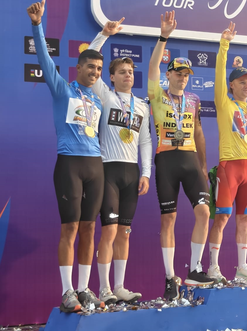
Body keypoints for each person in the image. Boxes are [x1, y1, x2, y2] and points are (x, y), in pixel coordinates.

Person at [27, 0, 105, 312]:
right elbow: (44, 59)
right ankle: (67, 291)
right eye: (91, 67)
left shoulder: (97, 100)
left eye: (99, 69)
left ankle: (85, 289)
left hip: (96, 166)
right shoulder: (63, 89)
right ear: (78, 68)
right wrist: (37, 25)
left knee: (89, 228)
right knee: (70, 229)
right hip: (69, 164)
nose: (95, 72)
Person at [147, 10, 213, 301]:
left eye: (187, 75)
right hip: (166, 160)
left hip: (190, 159)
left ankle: (196, 268)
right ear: (169, 74)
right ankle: (169, 277)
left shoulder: (194, 99)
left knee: (204, 212)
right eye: (179, 73)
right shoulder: (157, 94)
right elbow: (152, 68)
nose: (183, 78)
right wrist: (163, 37)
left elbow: (198, 132)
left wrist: (204, 164)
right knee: (169, 219)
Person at [87, 19, 152, 304]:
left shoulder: (142, 106)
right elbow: (90, 56)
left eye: (131, 72)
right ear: (111, 77)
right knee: (109, 231)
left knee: (125, 232)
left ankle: (120, 287)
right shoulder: (105, 96)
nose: (128, 75)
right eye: (122, 72)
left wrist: (146, 173)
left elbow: (145, 141)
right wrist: (104, 34)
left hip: (131, 172)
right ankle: (104, 288)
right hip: (108, 170)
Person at [207, 23, 247, 283]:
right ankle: (213, 267)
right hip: (229, 166)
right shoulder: (224, 103)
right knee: (222, 217)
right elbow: (219, 72)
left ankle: (242, 267)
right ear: (231, 85)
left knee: (244, 219)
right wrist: (224, 44)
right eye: (242, 82)